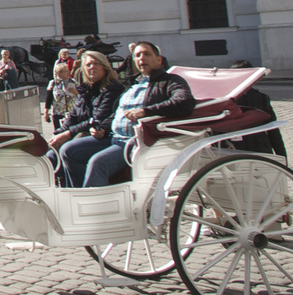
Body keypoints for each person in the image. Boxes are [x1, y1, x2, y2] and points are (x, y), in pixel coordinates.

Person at [69, 42, 195, 188]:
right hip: (113, 137)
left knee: (98, 162)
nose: (142, 58)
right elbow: (117, 113)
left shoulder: (170, 81)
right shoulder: (134, 84)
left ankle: (92, 205)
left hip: (135, 142)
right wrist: (102, 127)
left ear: (159, 60)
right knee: (69, 150)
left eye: (147, 54)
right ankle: (78, 194)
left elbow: (185, 101)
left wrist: (146, 111)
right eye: (137, 55)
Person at [45, 51, 123, 187]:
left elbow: (97, 119)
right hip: (84, 134)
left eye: (96, 64)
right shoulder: (85, 90)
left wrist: (68, 134)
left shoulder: (113, 89)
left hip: (104, 135)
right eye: (88, 65)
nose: (92, 67)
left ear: (105, 66)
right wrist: (58, 134)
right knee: (50, 156)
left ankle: (79, 192)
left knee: (69, 150)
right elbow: (73, 116)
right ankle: (60, 193)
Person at [45, 61, 79, 131]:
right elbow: (49, 98)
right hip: (57, 113)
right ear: (59, 73)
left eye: (68, 70)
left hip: (71, 114)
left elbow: (81, 95)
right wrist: (46, 113)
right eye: (65, 71)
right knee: (59, 133)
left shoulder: (73, 82)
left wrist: (75, 91)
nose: (68, 72)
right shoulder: (53, 83)